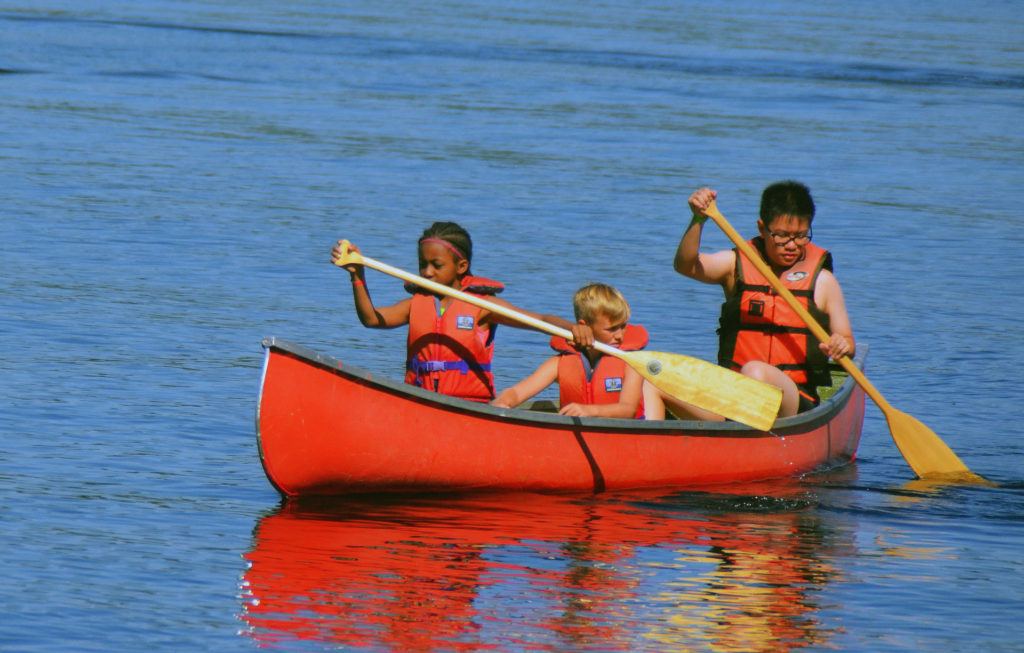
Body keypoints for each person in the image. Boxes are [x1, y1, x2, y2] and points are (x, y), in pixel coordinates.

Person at [331, 221, 592, 403]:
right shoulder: (416, 304)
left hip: (469, 404)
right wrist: (357, 275)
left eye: (436, 265)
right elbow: (371, 319)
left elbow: (540, 320)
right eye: (423, 265)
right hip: (418, 400)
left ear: (461, 266)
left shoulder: (483, 307)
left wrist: (573, 328)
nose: (427, 272)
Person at [657, 181, 855, 419]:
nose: (792, 245)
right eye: (781, 236)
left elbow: (848, 342)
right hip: (732, 396)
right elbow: (685, 266)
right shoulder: (735, 266)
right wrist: (698, 220)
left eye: (800, 236)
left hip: (793, 401)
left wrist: (841, 345)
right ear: (762, 229)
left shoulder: (823, 282)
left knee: (755, 372)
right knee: (653, 378)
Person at [492, 283, 646, 418]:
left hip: (620, 438)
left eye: (623, 326)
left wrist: (589, 411)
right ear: (584, 326)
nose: (619, 335)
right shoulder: (559, 363)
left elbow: (628, 409)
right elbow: (517, 392)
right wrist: (504, 401)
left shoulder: (631, 363)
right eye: (611, 329)